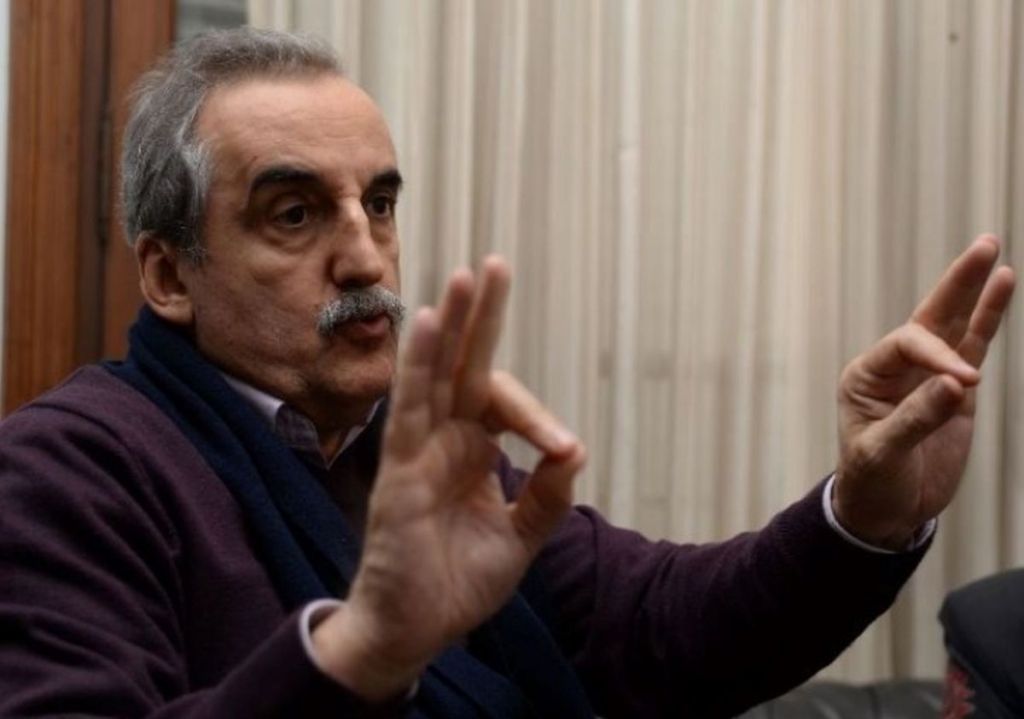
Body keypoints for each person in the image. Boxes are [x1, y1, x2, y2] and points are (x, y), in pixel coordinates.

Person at [0, 27, 1015, 719]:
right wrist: (361, 649)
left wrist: (861, 512)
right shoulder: (66, 470)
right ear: (169, 275)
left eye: (379, 204)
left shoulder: (411, 451)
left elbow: (663, 628)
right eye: (295, 213)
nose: (365, 258)